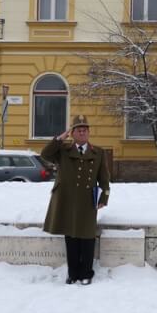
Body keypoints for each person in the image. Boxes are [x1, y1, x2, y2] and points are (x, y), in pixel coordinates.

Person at [41, 114, 110, 285]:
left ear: (89, 132)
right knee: (70, 236)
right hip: (66, 199)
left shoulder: (98, 152)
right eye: (78, 130)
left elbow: (104, 178)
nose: (82, 132)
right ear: (72, 133)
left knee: (87, 236)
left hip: (88, 200)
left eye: (85, 130)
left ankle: (86, 273)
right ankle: (72, 274)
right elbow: (45, 154)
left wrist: (104, 197)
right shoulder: (63, 150)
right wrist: (59, 139)